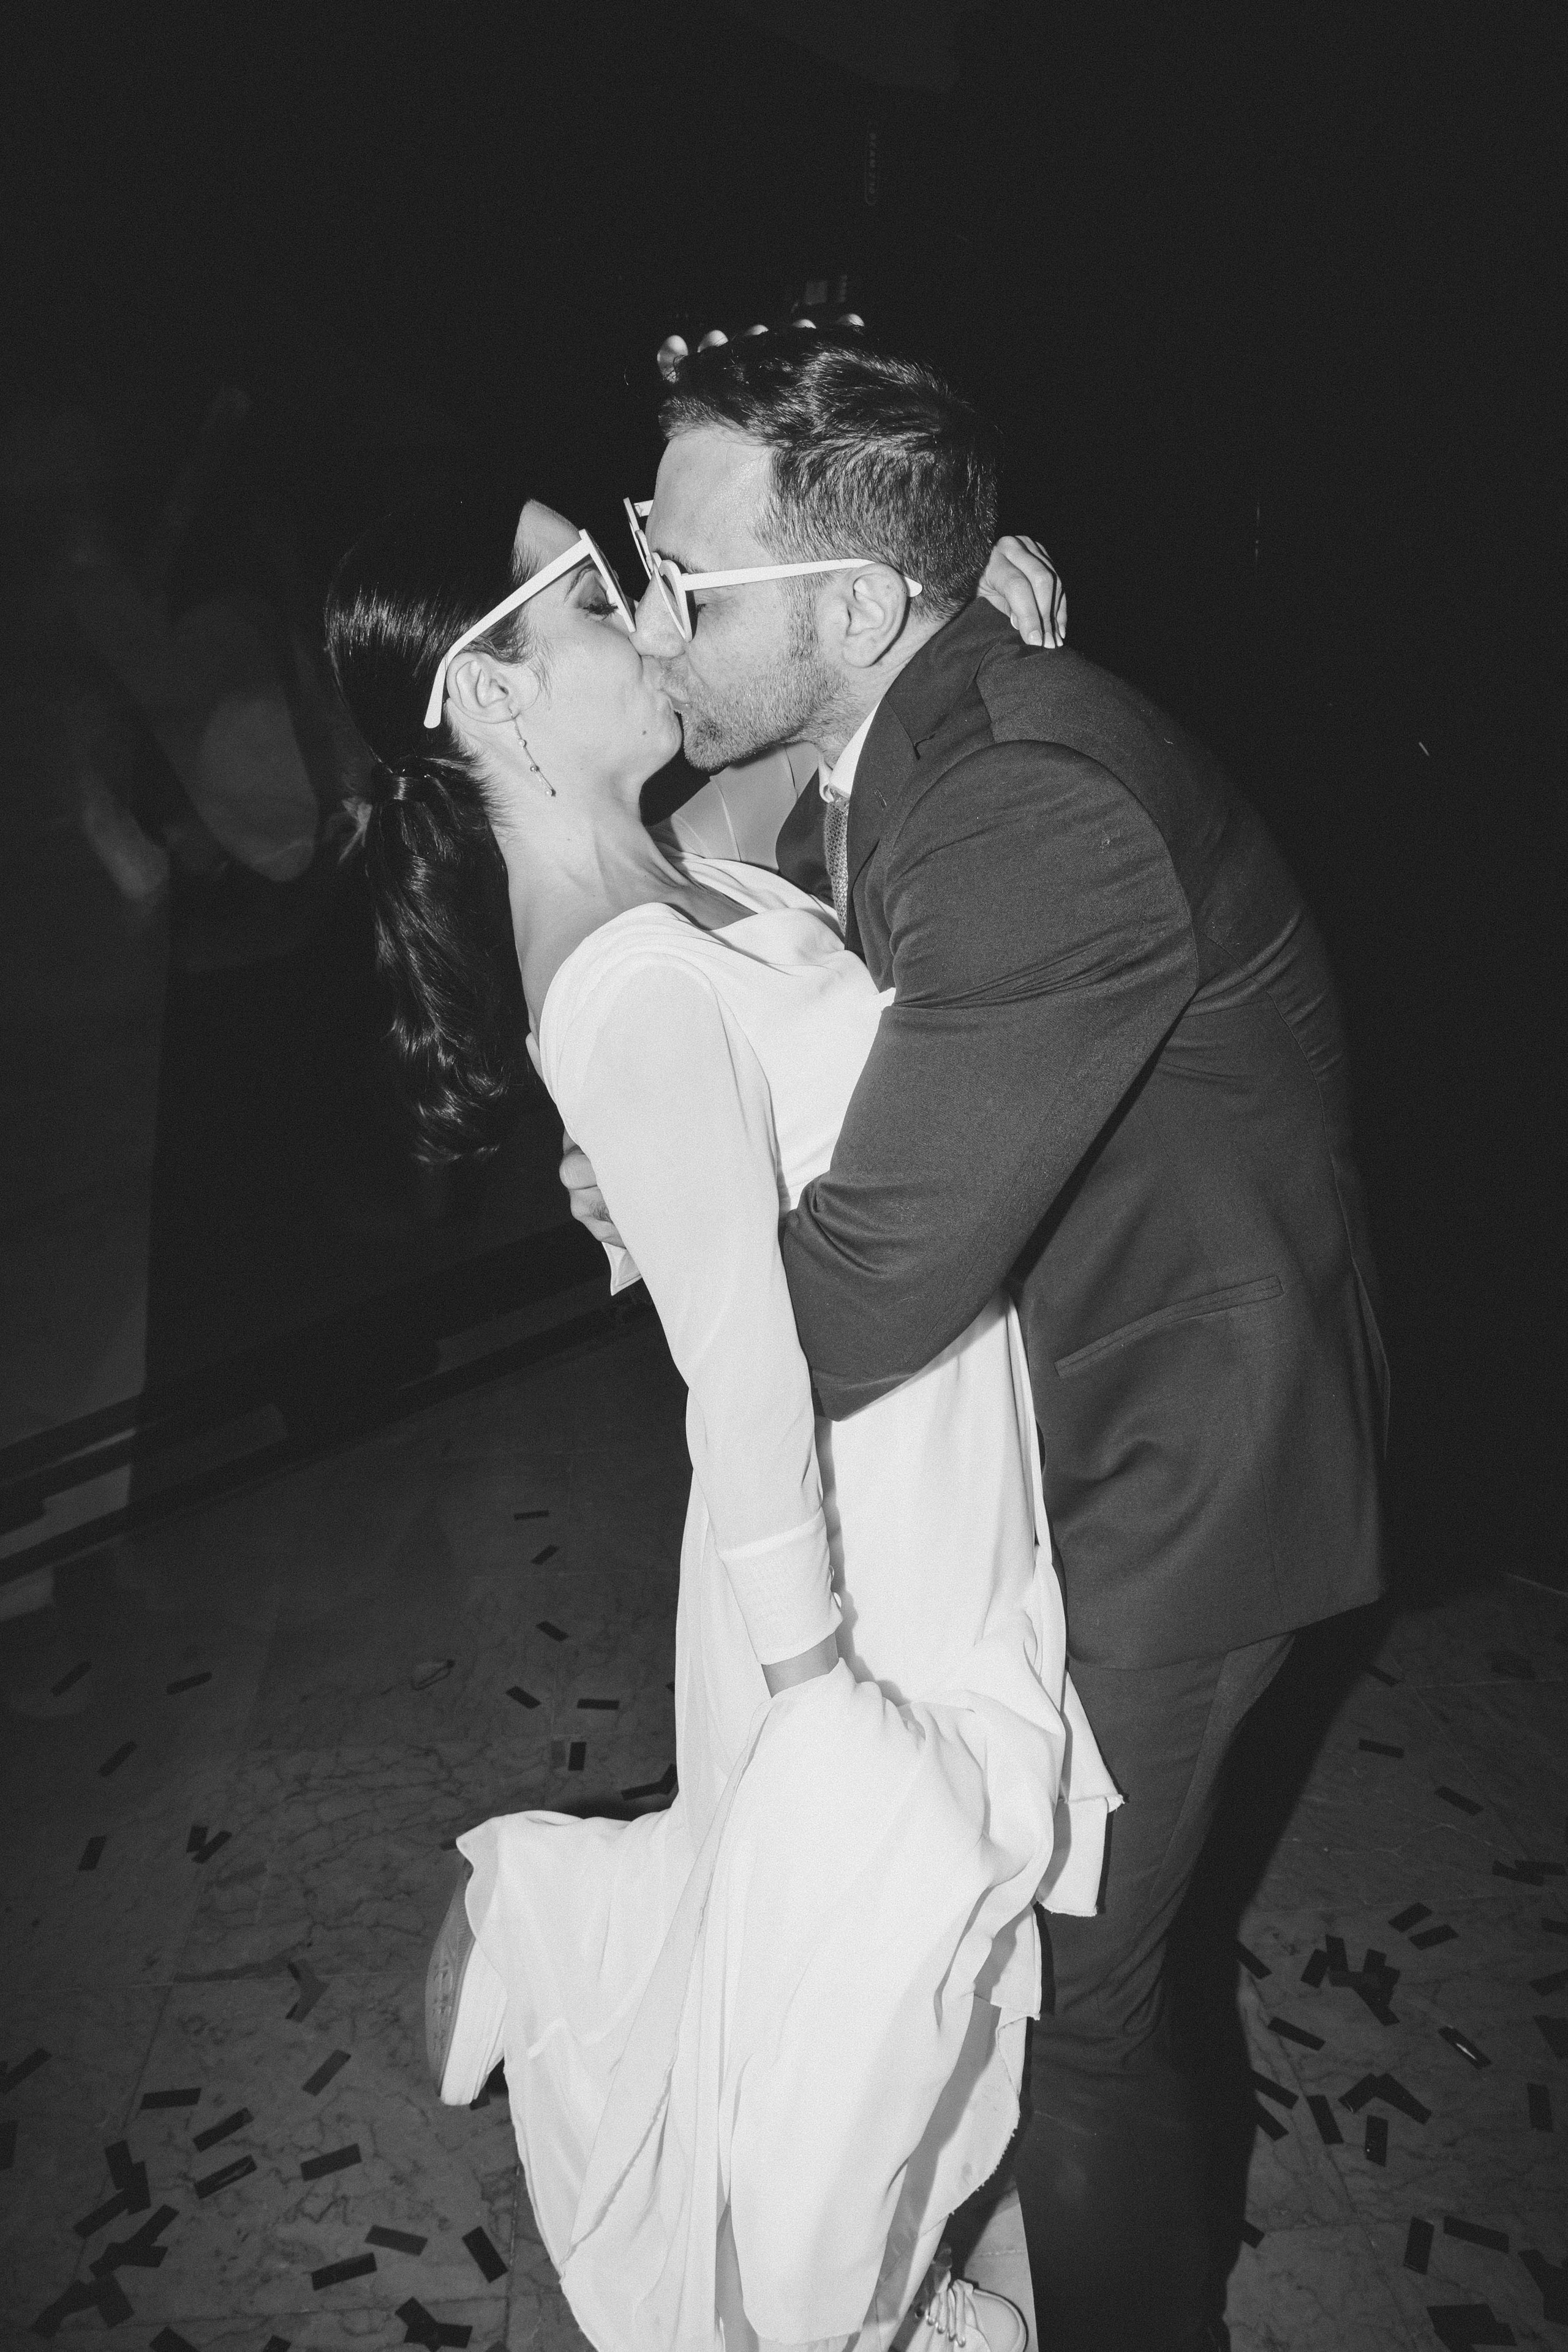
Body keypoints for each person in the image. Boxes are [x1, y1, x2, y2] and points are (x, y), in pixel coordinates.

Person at [567, 329, 1390, 2352]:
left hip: (1179, 1476)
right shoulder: (924, 723)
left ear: (850, 607)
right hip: (1073, 1427)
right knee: (1026, 1965)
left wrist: (692, 1234)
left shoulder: (1021, 800)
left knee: (1088, 2008)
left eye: (685, 578)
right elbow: (823, 884)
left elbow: (855, 1299)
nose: (650, 612)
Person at [323, 478, 1117, 2352]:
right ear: (500, 700)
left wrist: (981, 624)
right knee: (853, 2047)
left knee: (849, 2006)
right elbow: (741, 1380)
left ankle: (562, 1916)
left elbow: (823, 746)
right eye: (603, 597)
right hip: (841, 1556)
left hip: (907, 1466)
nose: (651, 612)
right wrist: (824, 1687)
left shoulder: (671, 847)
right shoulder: (613, 981)